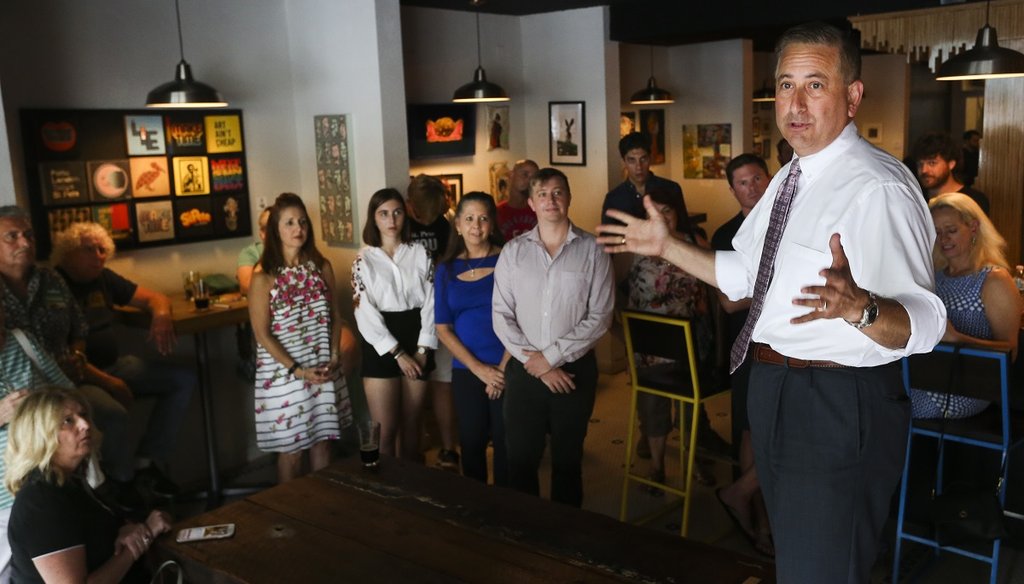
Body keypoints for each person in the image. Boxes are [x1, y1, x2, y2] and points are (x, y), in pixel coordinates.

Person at [599, 22, 945, 583]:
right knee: (800, 561)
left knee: (824, 569)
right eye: (786, 85)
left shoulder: (878, 186)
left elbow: (928, 318)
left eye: (815, 84)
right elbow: (743, 278)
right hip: (776, 388)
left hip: (839, 398)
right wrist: (667, 246)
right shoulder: (789, 177)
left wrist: (862, 308)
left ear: (853, 96)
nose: (796, 103)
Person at [493, 168, 614, 507]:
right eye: (543, 194)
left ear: (569, 198)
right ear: (531, 202)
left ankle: (565, 544)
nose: (551, 200)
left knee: (567, 462)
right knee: (521, 461)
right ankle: (526, 538)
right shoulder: (512, 252)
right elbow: (501, 316)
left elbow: (601, 316)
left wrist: (553, 357)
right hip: (523, 373)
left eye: (558, 192)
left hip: (574, 374)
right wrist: (539, 364)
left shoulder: (593, 250)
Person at [53, 223, 196, 500]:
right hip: (79, 379)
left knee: (183, 378)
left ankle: (147, 464)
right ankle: (121, 486)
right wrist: (112, 383)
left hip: (116, 366)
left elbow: (155, 298)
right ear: (67, 253)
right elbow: (67, 357)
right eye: (89, 250)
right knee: (114, 414)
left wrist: (162, 315)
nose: (98, 256)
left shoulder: (104, 278)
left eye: (102, 249)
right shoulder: (56, 285)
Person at [0, 207, 132, 506]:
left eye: (29, 235)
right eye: (12, 236)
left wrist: (77, 357)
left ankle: (113, 490)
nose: (24, 243)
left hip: (66, 381)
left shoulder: (50, 279)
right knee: (97, 416)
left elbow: (79, 327)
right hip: (34, 410)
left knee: (95, 415)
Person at [6, 388, 173, 584]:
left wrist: (126, 530)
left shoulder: (72, 480)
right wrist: (141, 539)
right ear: (39, 434)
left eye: (83, 415)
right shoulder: (41, 500)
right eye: (68, 420)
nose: (85, 425)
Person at [249, 193, 353, 483]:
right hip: (285, 374)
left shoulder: (321, 267)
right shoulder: (264, 276)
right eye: (290, 223)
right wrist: (298, 370)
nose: (298, 229)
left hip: (323, 367)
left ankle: (321, 512)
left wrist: (334, 357)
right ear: (275, 230)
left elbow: (335, 316)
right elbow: (262, 334)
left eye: (303, 222)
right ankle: (292, 516)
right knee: (292, 451)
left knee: (323, 442)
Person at [623, 188, 714, 495]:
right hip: (648, 343)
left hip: (689, 340)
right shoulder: (635, 246)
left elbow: (710, 290)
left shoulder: (694, 243)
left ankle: (696, 461)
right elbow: (623, 292)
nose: (661, 217)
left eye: (668, 211)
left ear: (679, 214)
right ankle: (658, 466)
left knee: (692, 409)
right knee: (652, 406)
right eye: (655, 211)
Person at [711, 153, 774, 557]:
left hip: (788, 341)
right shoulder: (726, 236)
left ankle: (745, 497)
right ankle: (755, 513)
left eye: (757, 179)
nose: (752, 188)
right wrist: (777, 288)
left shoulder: (790, 219)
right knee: (753, 430)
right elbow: (729, 303)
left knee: (779, 432)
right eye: (743, 183)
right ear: (732, 190)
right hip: (748, 345)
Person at [911, 193, 1020, 419]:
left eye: (951, 230)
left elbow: (1010, 352)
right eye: (937, 232)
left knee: (895, 408)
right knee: (878, 394)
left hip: (970, 388)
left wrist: (957, 339)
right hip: (927, 376)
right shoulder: (935, 277)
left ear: (973, 228)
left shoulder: (993, 280)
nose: (944, 239)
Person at [353, 188, 436, 461]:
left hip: (418, 337)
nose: (392, 220)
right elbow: (364, 311)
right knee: (386, 431)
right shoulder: (363, 260)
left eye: (397, 212)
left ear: (405, 215)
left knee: (412, 427)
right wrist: (397, 353)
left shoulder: (420, 253)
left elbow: (432, 302)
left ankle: (413, 490)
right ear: (373, 219)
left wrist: (423, 349)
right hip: (381, 344)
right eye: (384, 213)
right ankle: (386, 492)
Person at [434, 192, 508, 485]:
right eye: (469, 219)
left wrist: (499, 371)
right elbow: (443, 327)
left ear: (492, 224)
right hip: (467, 370)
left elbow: (523, 320)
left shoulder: (508, 259)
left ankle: (508, 512)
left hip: (507, 366)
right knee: (472, 442)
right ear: (458, 226)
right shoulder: (445, 269)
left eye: (483, 218)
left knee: (506, 444)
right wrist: (480, 370)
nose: (476, 226)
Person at [0, 301, 75, 583]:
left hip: (52, 478)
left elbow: (68, 392)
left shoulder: (21, 341)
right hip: (4, 500)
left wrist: (44, 404)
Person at [406, 175, 458, 469]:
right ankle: (418, 449)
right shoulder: (404, 226)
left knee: (441, 384)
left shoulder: (447, 226)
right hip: (413, 316)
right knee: (422, 385)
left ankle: (448, 447)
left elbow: (449, 262)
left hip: (440, 311)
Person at [602, 133, 695, 239]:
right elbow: (607, 239)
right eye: (632, 160)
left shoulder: (671, 188)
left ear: (650, 158)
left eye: (643, 159)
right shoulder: (614, 198)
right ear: (624, 162)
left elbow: (685, 230)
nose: (638, 167)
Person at [912, 131, 990, 214]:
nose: (924, 170)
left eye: (932, 163)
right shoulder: (915, 199)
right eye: (920, 164)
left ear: (951, 164)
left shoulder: (973, 200)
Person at [495, 159, 539, 241]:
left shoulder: (540, 210)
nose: (529, 180)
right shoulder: (497, 212)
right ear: (511, 175)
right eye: (525, 174)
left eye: (534, 177)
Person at [237, 207, 271, 295]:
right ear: (261, 233)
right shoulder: (251, 252)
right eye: (268, 228)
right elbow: (247, 286)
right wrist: (271, 250)